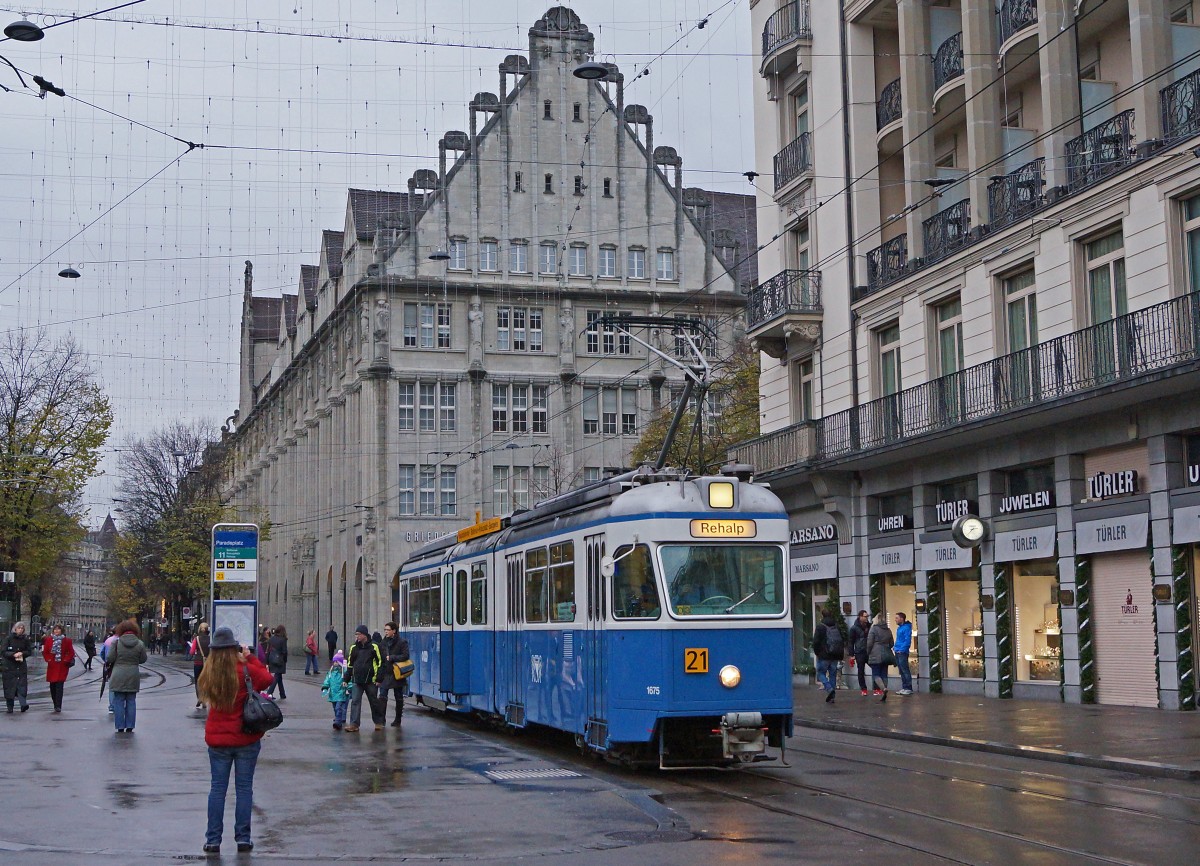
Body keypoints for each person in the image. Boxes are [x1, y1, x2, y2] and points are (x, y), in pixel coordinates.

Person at [197, 626, 272, 854]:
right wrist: (251, 657)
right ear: (233, 648)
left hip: (218, 740)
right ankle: (243, 838)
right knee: (244, 789)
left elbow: (202, 694)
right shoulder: (244, 670)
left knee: (217, 789)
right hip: (245, 738)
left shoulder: (208, 673)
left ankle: (212, 840)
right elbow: (267, 679)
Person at [109, 619, 149, 733]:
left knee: (119, 700)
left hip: (118, 673)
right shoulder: (140, 643)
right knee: (131, 700)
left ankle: (120, 726)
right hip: (133, 674)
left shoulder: (116, 643)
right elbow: (143, 659)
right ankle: (130, 725)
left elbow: (110, 658)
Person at [344, 624, 383, 732]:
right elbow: (350, 664)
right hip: (357, 680)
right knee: (355, 701)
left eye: (359, 634)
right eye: (356, 634)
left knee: (373, 701)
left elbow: (381, 663)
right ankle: (354, 724)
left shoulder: (374, 646)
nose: (357, 636)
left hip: (371, 680)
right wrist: (346, 679)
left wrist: (379, 678)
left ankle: (378, 722)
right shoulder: (354, 648)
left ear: (364, 635)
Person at [377, 621, 409, 727]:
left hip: (397, 673)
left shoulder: (402, 642)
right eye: (385, 630)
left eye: (388, 630)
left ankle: (398, 719)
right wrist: (378, 676)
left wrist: (392, 657)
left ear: (394, 631)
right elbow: (380, 660)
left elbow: (405, 656)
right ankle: (381, 720)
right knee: (382, 696)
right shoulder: (383, 643)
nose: (386, 632)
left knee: (398, 697)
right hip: (386, 673)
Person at [812, 608, 845, 703]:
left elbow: (816, 642)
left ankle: (829, 688)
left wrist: (817, 652)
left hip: (824, 655)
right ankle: (832, 697)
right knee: (833, 674)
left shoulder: (820, 626)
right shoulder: (836, 626)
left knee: (820, 673)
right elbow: (841, 640)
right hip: (834, 655)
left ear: (822, 615)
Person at [41, 623, 75, 713]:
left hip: (62, 666)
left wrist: (66, 660)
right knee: (53, 686)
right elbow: (45, 651)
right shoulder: (48, 640)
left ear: (61, 631)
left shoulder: (67, 641)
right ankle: (54, 703)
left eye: (58, 629)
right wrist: (48, 659)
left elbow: (71, 652)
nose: (56, 631)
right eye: (55, 629)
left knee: (59, 686)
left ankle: (58, 705)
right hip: (52, 665)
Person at [2, 621, 33, 713]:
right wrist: (13, 654)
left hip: (21, 665)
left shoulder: (25, 639)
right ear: (15, 629)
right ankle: (10, 707)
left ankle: (23, 704)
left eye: (22, 628)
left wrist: (22, 654)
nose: (20, 630)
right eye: (19, 628)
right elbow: (3, 651)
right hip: (9, 666)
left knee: (21, 686)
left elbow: (29, 651)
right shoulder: (8, 639)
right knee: (9, 686)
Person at [866, 612, 895, 702]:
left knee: (876, 674)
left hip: (875, 653)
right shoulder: (888, 630)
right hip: (886, 654)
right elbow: (892, 644)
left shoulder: (873, 629)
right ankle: (884, 689)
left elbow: (869, 643)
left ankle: (883, 689)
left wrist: (868, 652)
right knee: (884, 674)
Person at [321, 650, 349, 730]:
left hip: (341, 692)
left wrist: (349, 688)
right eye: (334, 662)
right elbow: (327, 680)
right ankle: (338, 718)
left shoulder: (344, 672)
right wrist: (325, 687)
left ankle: (338, 722)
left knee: (338, 707)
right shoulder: (331, 672)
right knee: (335, 708)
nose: (335, 663)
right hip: (333, 693)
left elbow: (349, 680)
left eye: (336, 662)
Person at [848, 610, 871, 696]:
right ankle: (863, 689)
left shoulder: (869, 626)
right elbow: (851, 642)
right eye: (865, 616)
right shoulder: (854, 628)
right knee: (861, 670)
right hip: (859, 652)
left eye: (867, 616)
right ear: (860, 617)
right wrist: (852, 654)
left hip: (869, 651)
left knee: (875, 667)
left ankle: (877, 688)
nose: (866, 618)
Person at [191, 623, 212, 708]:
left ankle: (199, 698)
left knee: (198, 681)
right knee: (207, 681)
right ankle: (205, 699)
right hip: (208, 663)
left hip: (198, 662)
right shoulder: (211, 639)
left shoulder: (197, 639)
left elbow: (191, 652)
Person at [894, 612, 914, 696]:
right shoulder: (900, 628)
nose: (895, 620)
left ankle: (908, 688)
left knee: (905, 670)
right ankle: (905, 687)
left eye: (897, 618)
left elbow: (907, 641)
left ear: (902, 619)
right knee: (901, 670)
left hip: (902, 652)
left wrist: (901, 650)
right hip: (898, 651)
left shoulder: (906, 628)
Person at [266, 625, 288, 700]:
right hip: (279, 660)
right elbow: (284, 651)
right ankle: (269, 693)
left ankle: (282, 694)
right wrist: (285, 660)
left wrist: (267, 661)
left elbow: (268, 650)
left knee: (279, 677)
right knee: (277, 676)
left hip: (271, 659)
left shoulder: (271, 639)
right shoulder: (283, 639)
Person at [100, 628, 118, 715]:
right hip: (120, 665)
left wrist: (106, 661)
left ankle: (111, 706)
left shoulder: (108, 640)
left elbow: (102, 653)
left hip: (110, 666)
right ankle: (121, 705)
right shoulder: (121, 640)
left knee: (112, 687)